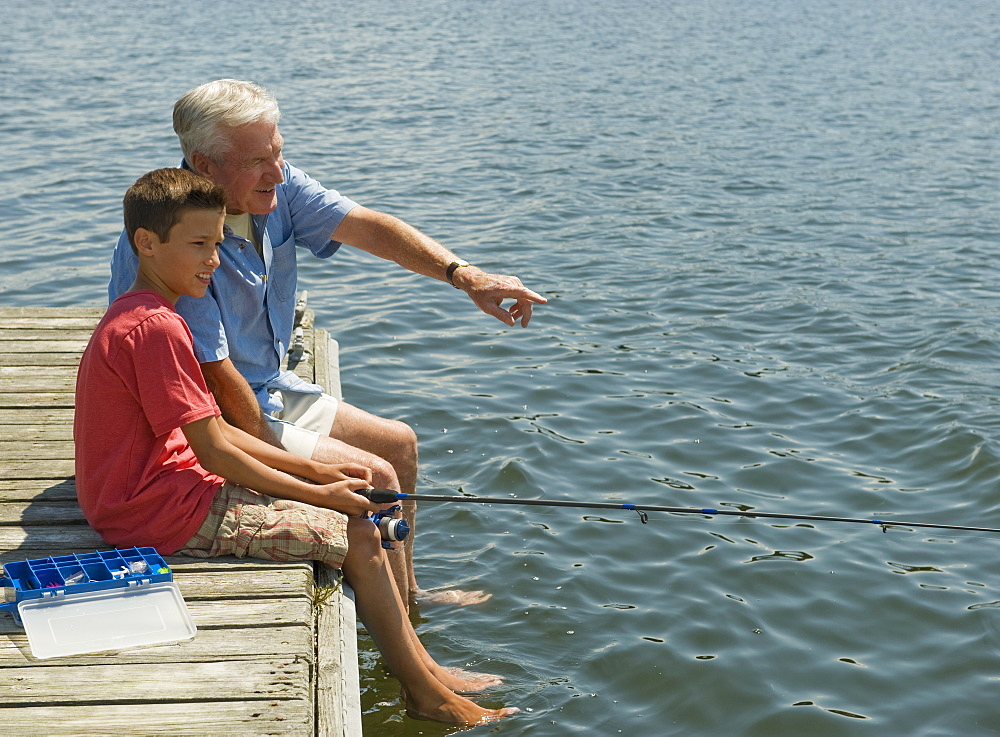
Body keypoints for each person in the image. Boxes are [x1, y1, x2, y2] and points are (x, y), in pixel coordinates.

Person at [76, 168, 518, 727]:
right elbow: (214, 451)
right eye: (197, 245)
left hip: (162, 487)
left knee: (359, 499)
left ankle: (425, 667)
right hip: (155, 512)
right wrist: (327, 496)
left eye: (217, 243)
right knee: (360, 531)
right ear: (146, 243)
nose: (213, 260)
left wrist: (316, 474)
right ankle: (425, 691)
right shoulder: (155, 330)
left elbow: (217, 431)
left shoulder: (148, 313)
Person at [108, 79, 547, 607]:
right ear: (204, 165)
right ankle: (401, 635)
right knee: (373, 475)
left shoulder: (278, 187)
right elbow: (217, 383)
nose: (276, 171)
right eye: (257, 161)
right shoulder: (180, 246)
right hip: (214, 418)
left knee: (399, 444)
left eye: (279, 152)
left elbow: (369, 228)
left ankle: (408, 597)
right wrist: (296, 471)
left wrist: (464, 275)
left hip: (268, 386)